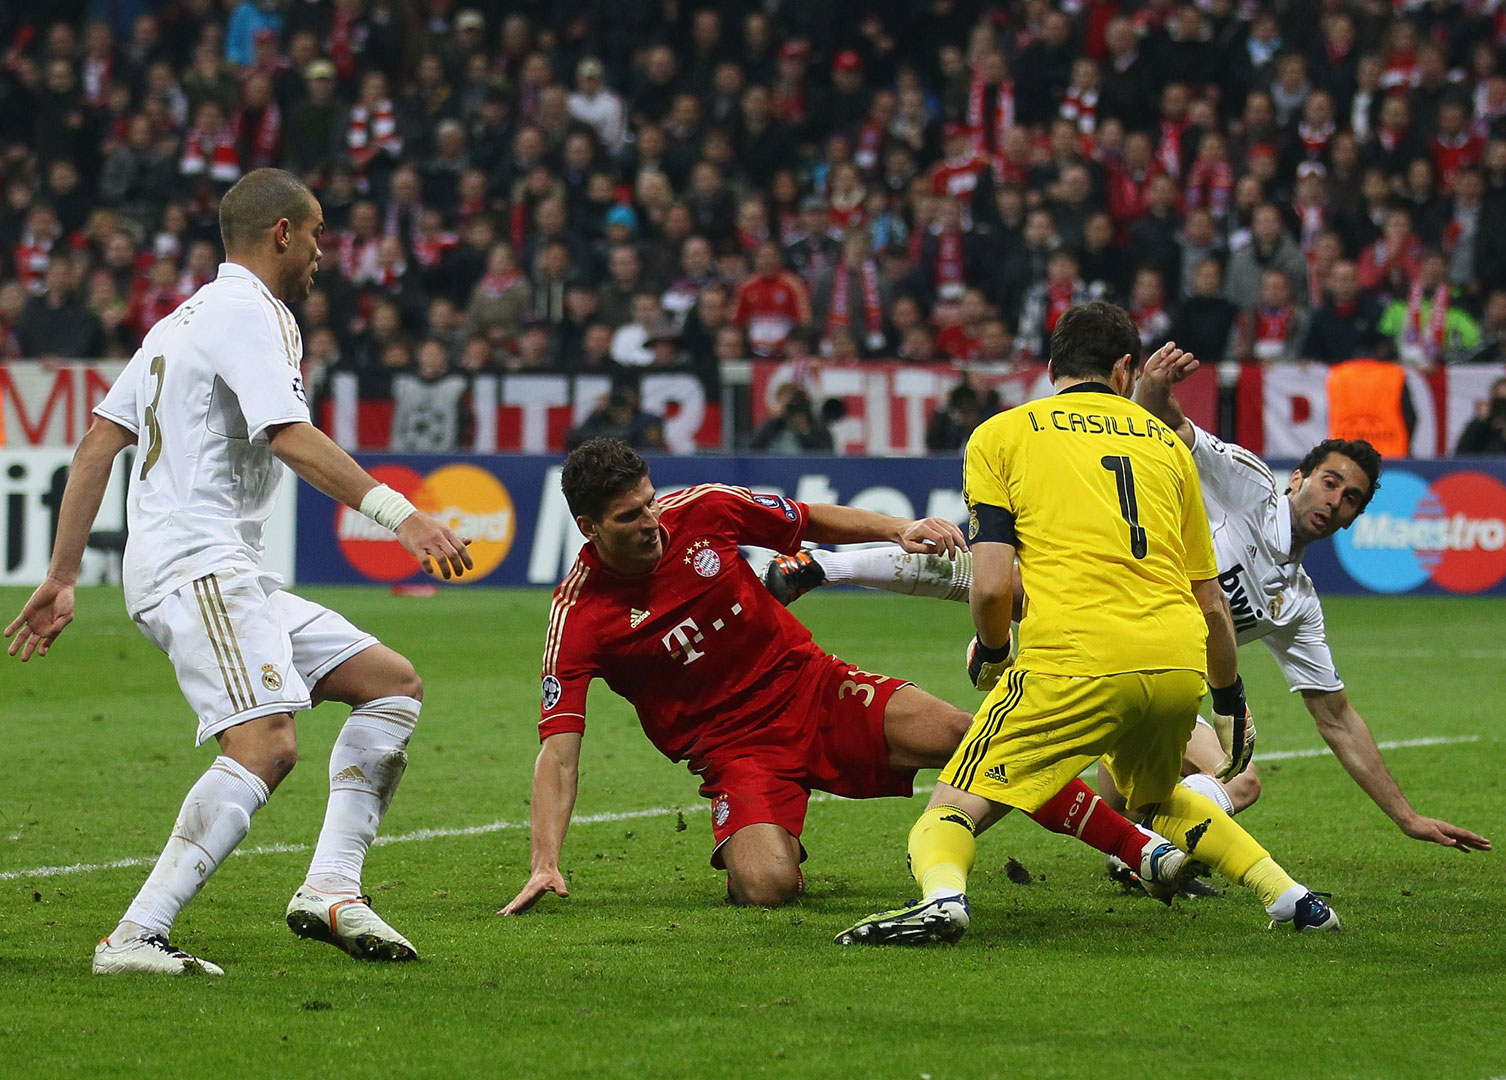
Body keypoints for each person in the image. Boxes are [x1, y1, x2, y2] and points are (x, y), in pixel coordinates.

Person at [4, 169, 472, 976]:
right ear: (283, 232)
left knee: (391, 685)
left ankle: (331, 887)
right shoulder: (253, 312)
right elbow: (289, 434)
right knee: (267, 741)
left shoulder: (177, 322)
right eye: (318, 235)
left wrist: (62, 574)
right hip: (198, 560)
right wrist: (402, 515)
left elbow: (96, 447)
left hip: (221, 569)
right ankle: (133, 937)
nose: (324, 253)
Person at [498, 439, 1195, 913]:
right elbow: (559, 752)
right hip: (737, 753)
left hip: (814, 687)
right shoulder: (578, 616)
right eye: (630, 516)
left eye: (650, 501)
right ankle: (766, 835)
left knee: (969, 736)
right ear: (589, 527)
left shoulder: (701, 510)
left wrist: (896, 529)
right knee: (767, 887)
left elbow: (808, 521)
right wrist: (545, 861)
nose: (652, 521)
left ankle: (1141, 852)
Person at [834, 303, 1344, 948]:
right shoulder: (1166, 444)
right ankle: (1290, 898)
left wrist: (993, 654)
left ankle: (942, 901)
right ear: (1125, 367)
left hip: (1073, 659)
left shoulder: (1002, 434)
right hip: (1176, 663)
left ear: (1052, 366)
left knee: (952, 804)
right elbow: (1211, 600)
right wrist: (1231, 698)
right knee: (1158, 797)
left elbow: (992, 582)